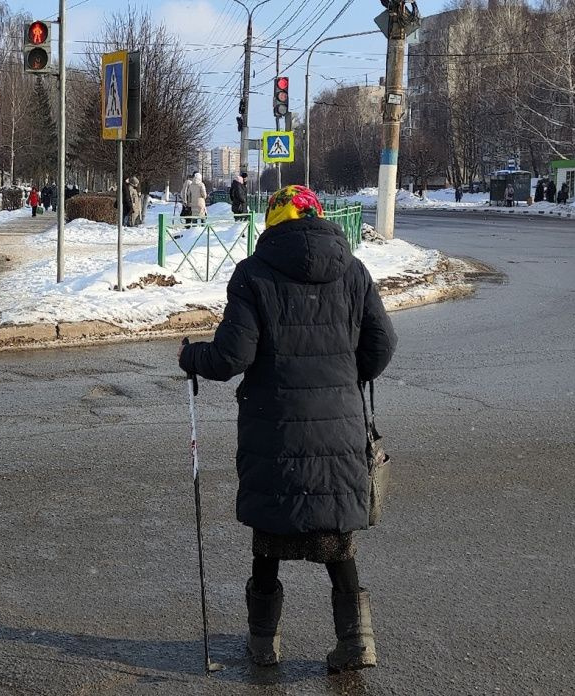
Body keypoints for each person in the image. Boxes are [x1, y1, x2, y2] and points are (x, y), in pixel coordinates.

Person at [179, 185, 397, 672]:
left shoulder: (253, 274)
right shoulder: (353, 270)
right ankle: (357, 642)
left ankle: (263, 645)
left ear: (273, 221)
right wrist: (344, 375)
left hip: (274, 429)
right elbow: (382, 345)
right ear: (318, 217)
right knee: (337, 536)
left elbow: (232, 356)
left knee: (270, 537)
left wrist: (189, 355)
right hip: (337, 425)